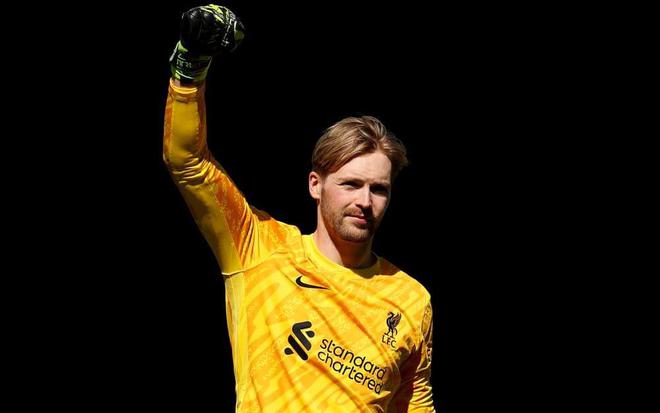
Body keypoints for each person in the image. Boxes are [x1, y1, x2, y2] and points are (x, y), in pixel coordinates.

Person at [164, 4, 435, 412]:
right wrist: (190, 67)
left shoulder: (410, 298)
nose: (365, 202)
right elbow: (187, 161)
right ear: (315, 185)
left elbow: (416, 406)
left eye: (379, 189)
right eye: (351, 184)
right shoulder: (259, 249)